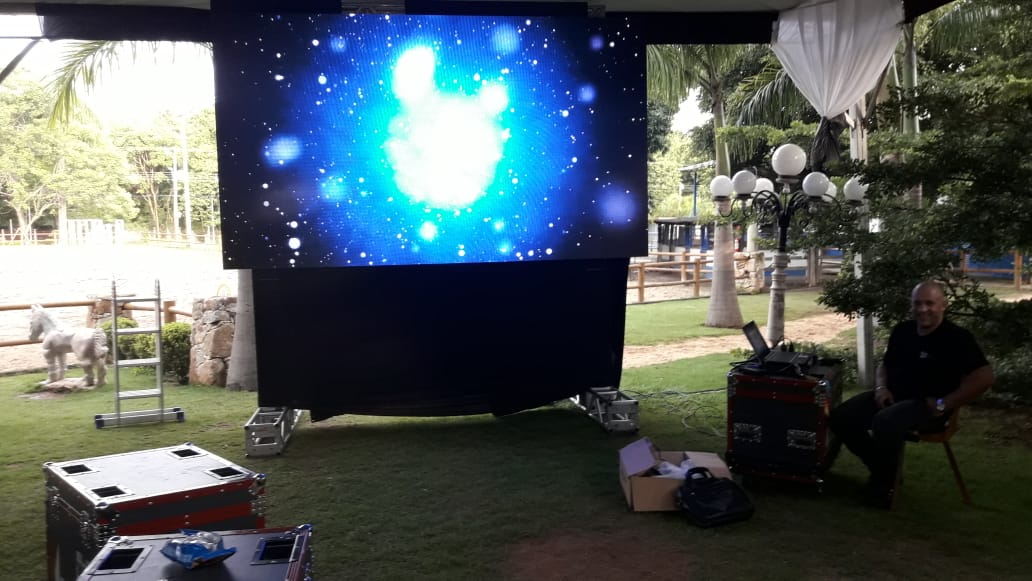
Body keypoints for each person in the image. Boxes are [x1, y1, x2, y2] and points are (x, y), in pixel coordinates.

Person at [828, 280, 993, 508]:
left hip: (928, 406)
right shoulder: (903, 331)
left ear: (943, 305)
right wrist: (881, 388)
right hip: (892, 396)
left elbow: (984, 377)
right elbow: (885, 365)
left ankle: (883, 487)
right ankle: (883, 469)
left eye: (929, 303)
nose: (923, 309)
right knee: (841, 417)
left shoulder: (957, 338)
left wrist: (946, 403)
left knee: (886, 422)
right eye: (918, 303)